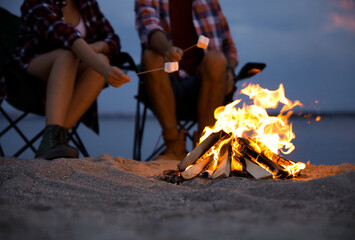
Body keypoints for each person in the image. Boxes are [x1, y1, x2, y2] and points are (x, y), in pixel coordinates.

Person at [9, 0, 130, 160]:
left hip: (72, 76)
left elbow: (113, 39)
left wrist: (98, 48)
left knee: (101, 59)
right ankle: (53, 137)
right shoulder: (36, 2)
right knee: (69, 54)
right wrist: (106, 71)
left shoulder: (87, 4)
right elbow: (68, 37)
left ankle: (55, 137)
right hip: (30, 73)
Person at [135, 0, 239, 160]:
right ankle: (173, 144)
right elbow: (149, 29)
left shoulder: (209, 2)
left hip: (207, 83)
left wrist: (230, 70)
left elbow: (230, 48)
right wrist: (167, 49)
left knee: (217, 59)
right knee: (151, 56)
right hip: (167, 82)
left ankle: (204, 146)